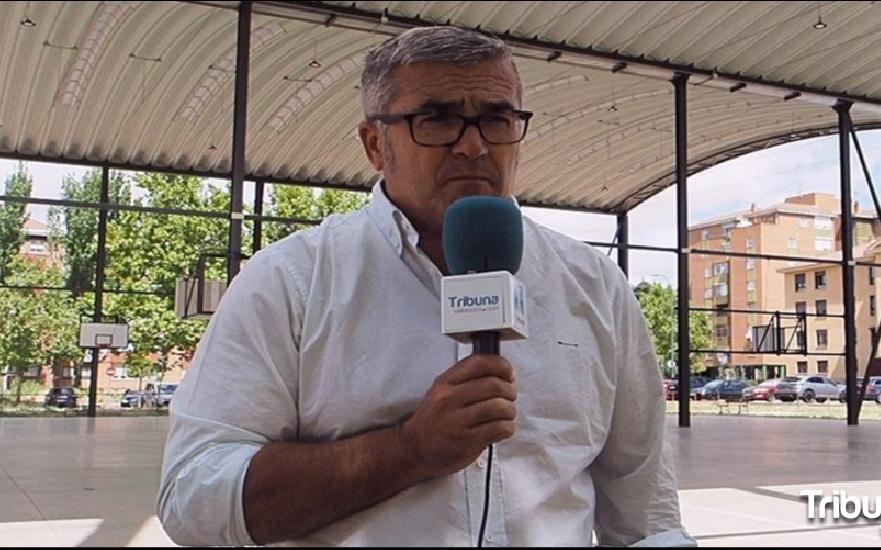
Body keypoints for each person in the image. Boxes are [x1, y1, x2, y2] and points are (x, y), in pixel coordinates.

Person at [157, 26, 694, 547]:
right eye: (435, 119)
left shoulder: (596, 286)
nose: (472, 146)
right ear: (374, 144)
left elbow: (645, 513)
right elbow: (194, 498)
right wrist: (406, 451)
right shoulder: (291, 280)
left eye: (496, 118)